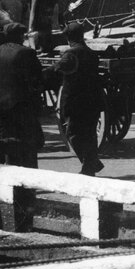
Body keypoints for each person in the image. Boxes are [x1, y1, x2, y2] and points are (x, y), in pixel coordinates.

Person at [0, 23, 46, 168]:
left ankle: (11, 170)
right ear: (20, 36)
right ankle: (28, 175)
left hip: (1, 107)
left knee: (10, 144)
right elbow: (37, 80)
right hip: (23, 107)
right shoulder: (27, 53)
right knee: (28, 145)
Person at [52, 20, 106, 176]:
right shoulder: (92, 54)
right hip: (93, 100)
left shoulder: (71, 54)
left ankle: (91, 164)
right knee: (90, 134)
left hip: (75, 102)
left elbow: (56, 70)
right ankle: (89, 168)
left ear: (68, 38)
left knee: (72, 133)